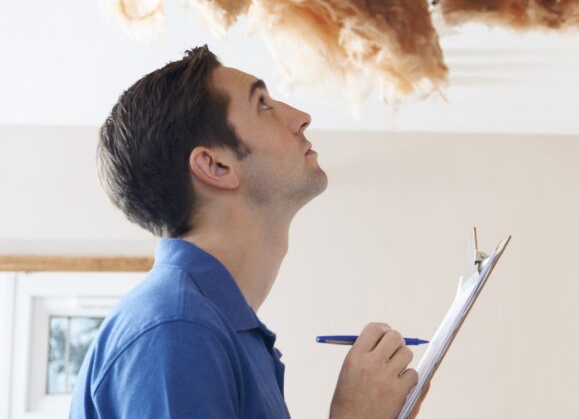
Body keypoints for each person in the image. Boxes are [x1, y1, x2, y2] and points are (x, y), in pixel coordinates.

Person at [70, 46, 425, 418]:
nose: (302, 117)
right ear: (215, 165)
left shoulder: (217, 332)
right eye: (263, 105)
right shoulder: (178, 330)